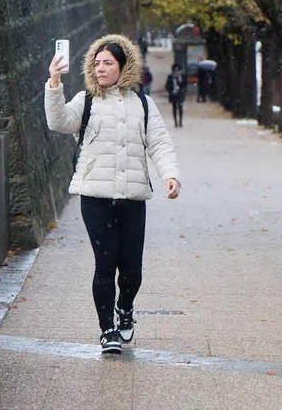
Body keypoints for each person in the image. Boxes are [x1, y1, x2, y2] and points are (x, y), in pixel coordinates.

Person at [45, 34, 182, 355]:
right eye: (97, 63)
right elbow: (59, 122)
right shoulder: (86, 101)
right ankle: (107, 330)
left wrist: (171, 175)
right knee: (105, 264)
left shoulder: (143, 105)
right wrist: (54, 83)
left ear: (124, 67)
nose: (101, 68)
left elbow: (160, 143)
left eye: (108, 63)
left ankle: (125, 307)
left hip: (133, 197)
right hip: (95, 196)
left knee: (132, 268)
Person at [165, 63, 187, 127]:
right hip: (173, 94)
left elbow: (185, 85)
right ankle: (175, 122)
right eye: (175, 70)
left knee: (180, 107)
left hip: (180, 94)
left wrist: (183, 90)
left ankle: (180, 122)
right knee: (174, 108)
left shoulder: (182, 76)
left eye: (177, 70)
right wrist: (170, 91)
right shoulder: (170, 77)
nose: (176, 71)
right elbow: (167, 85)